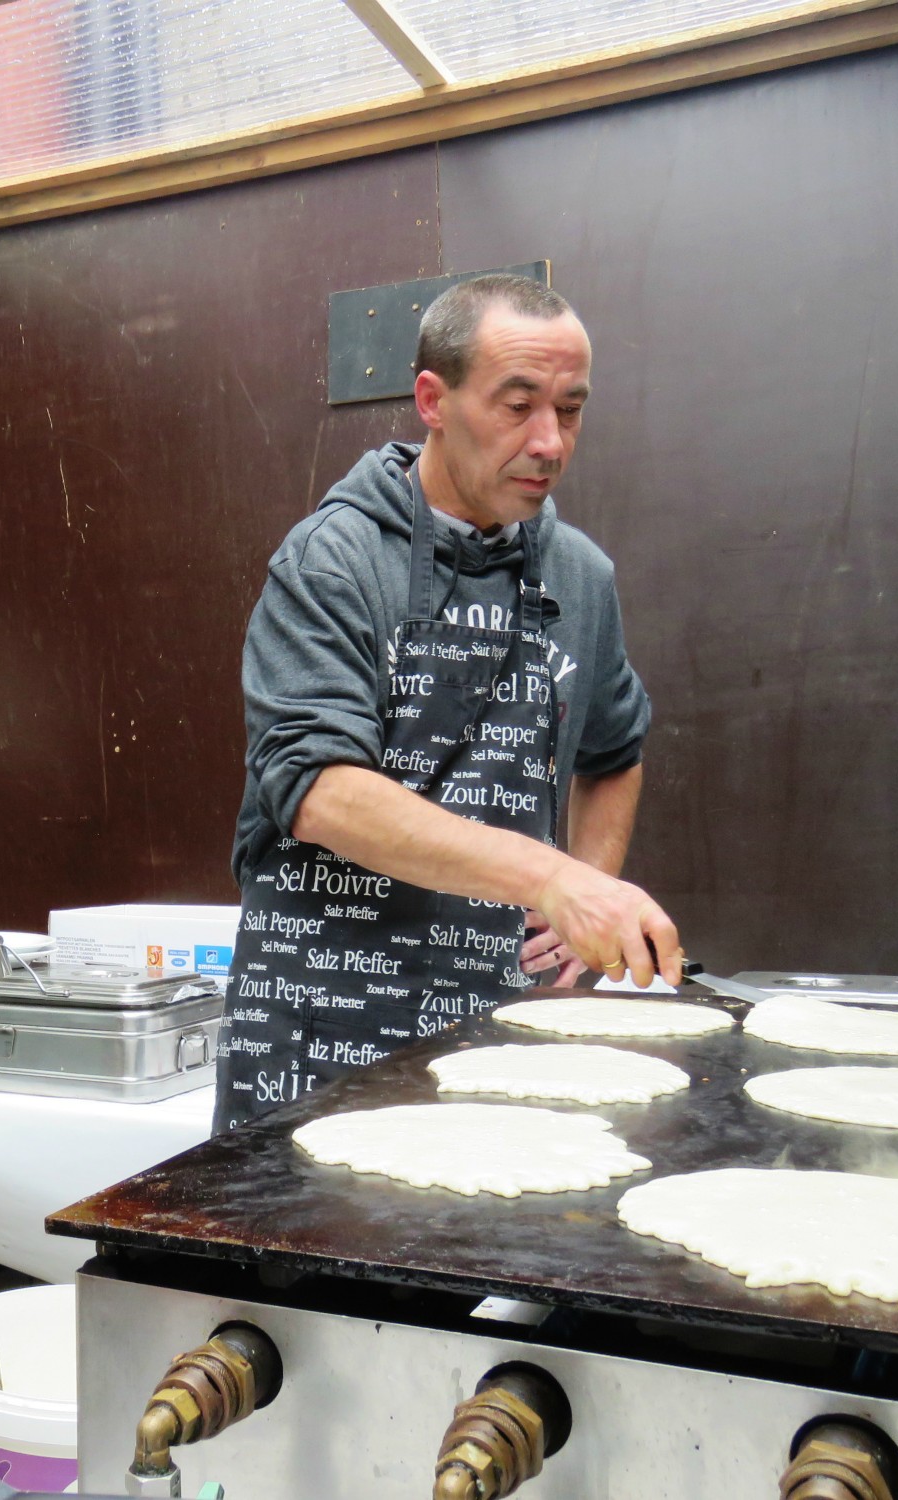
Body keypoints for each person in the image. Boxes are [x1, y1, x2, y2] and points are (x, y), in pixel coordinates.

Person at [214, 273, 681, 1132]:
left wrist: (587, 897)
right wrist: (554, 874)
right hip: (322, 1022)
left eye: (570, 409)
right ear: (432, 398)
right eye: (517, 405)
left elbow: (614, 752)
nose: (549, 442)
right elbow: (319, 790)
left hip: (497, 1022)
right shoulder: (334, 560)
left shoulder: (580, 577)